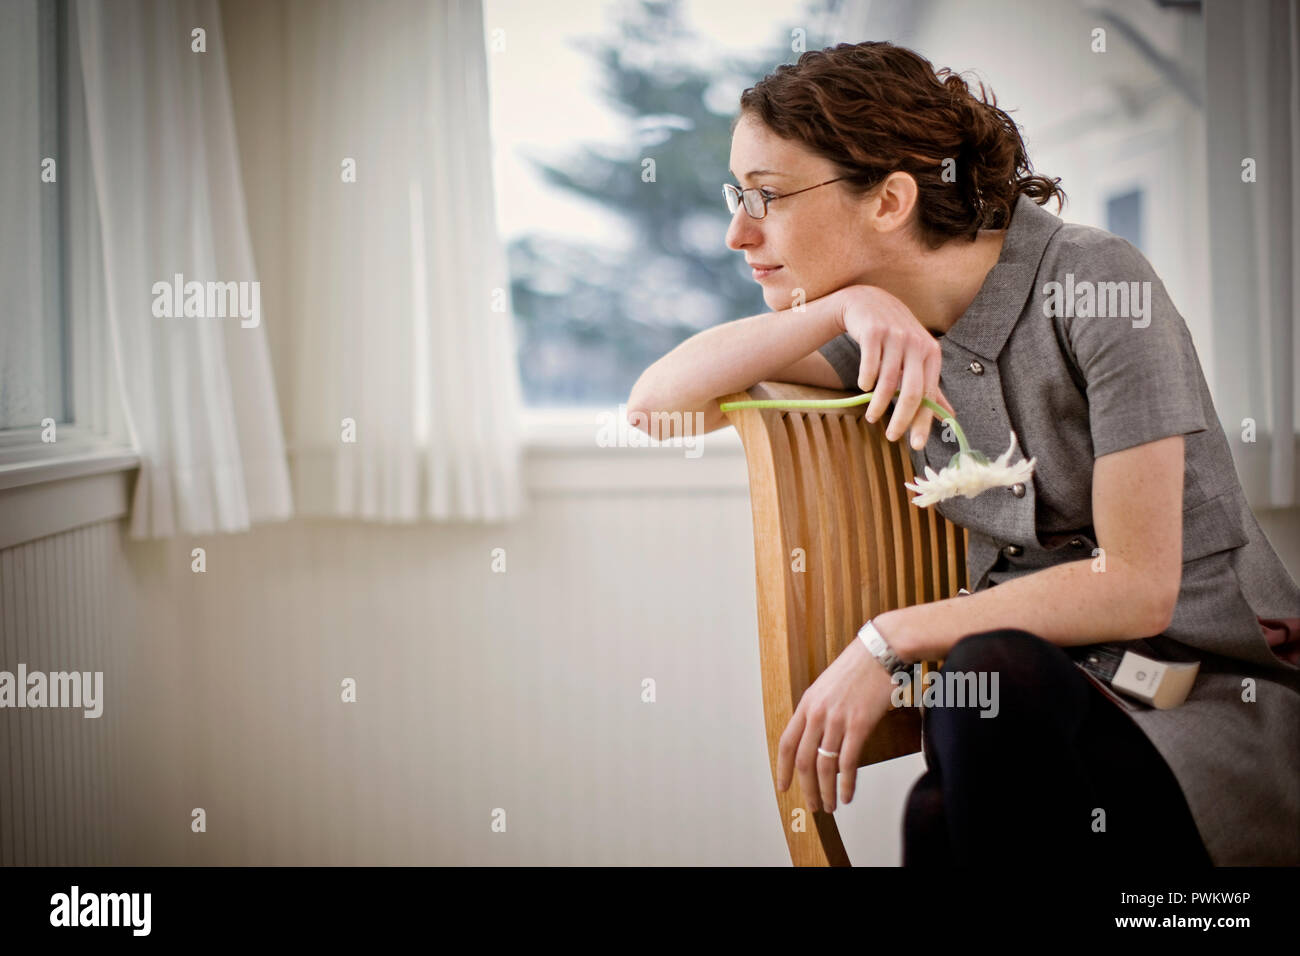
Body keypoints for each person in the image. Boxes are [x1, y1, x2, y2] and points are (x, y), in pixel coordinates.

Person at [627, 41, 1300, 866]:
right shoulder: (889, 333)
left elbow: (1136, 586)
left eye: (765, 197)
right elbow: (657, 406)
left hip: (1205, 707)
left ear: (890, 200)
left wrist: (892, 637)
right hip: (1031, 706)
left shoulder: (1096, 282)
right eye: (739, 195)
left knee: (973, 717)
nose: (737, 232)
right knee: (957, 767)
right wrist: (846, 311)